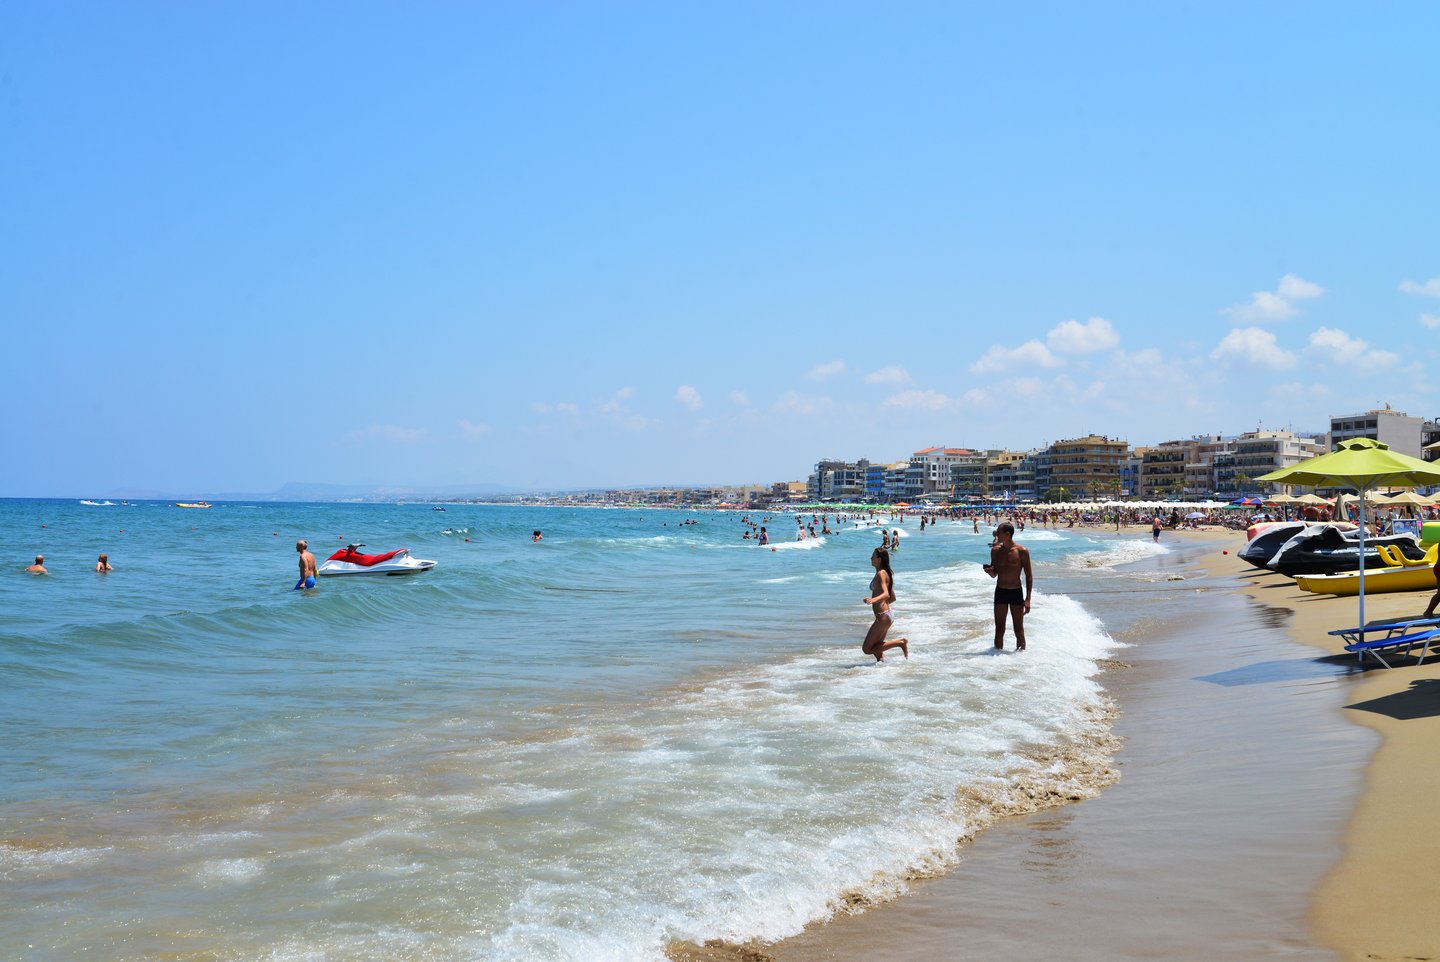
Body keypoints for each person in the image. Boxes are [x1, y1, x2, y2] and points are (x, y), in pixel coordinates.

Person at [983, 522, 1032, 651]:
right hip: (1000, 592)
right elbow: (994, 574)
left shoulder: (1022, 551)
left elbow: (1029, 576)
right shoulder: (995, 551)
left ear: (1007, 534)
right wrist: (990, 572)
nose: (996, 534)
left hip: (1015, 592)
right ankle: (996, 660)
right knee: (999, 629)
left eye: (998, 532)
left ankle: (1021, 658)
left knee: (1018, 629)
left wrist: (1027, 599)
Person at [861, 547, 909, 661]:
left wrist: (873, 601)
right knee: (878, 651)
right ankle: (884, 664)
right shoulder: (884, 573)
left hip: (883, 616)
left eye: (873, 556)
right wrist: (882, 605)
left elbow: (886, 594)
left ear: (879, 559)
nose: (871, 558)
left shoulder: (881, 574)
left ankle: (900, 643)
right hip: (886, 614)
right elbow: (893, 597)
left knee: (867, 649)